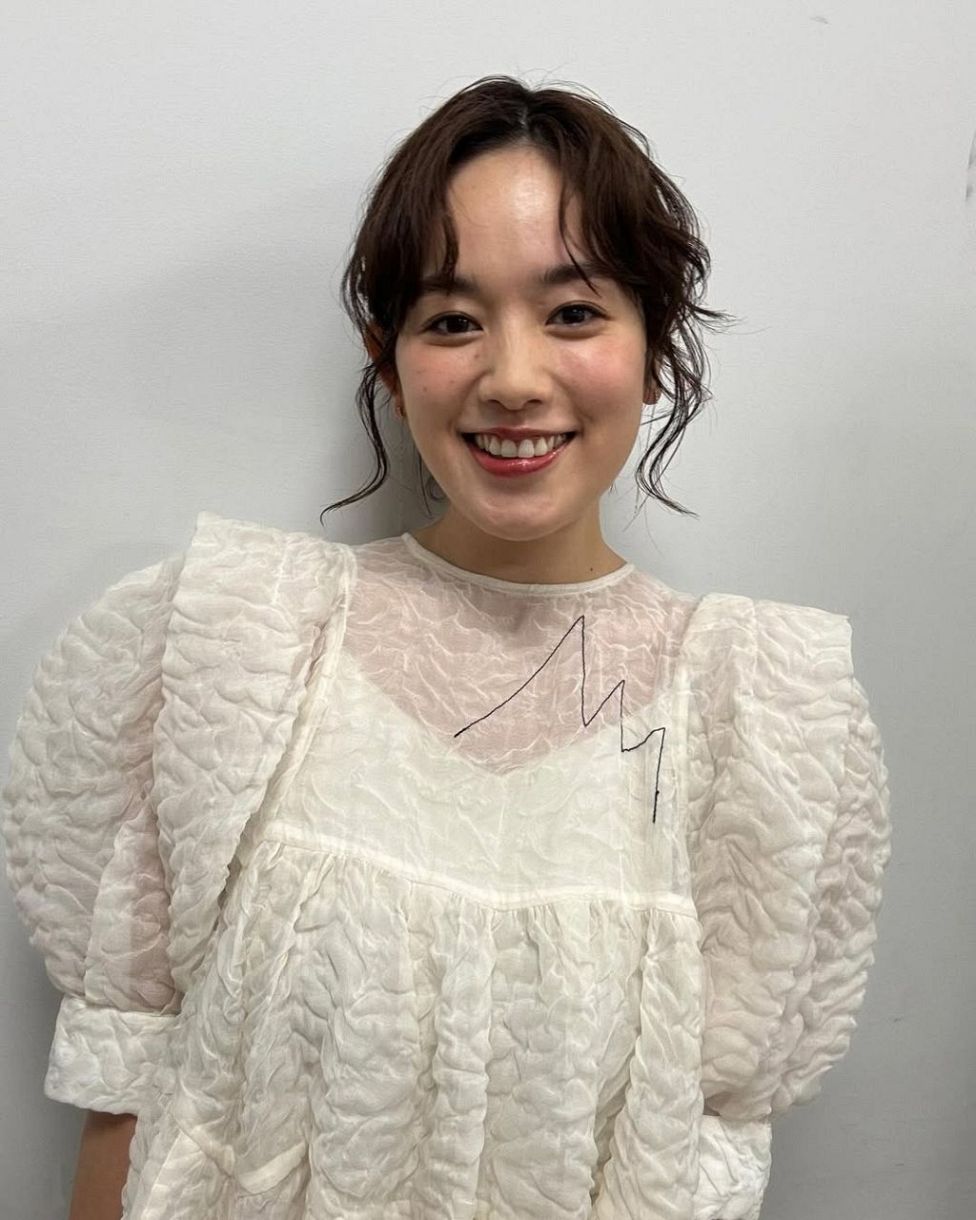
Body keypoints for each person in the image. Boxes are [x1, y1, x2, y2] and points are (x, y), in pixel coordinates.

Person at [1, 75, 892, 1219]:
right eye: (453, 320)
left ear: (654, 348)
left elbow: (706, 1164)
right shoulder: (236, 645)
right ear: (388, 359)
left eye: (573, 313)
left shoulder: (756, 714)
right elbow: (129, 1092)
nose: (512, 379)